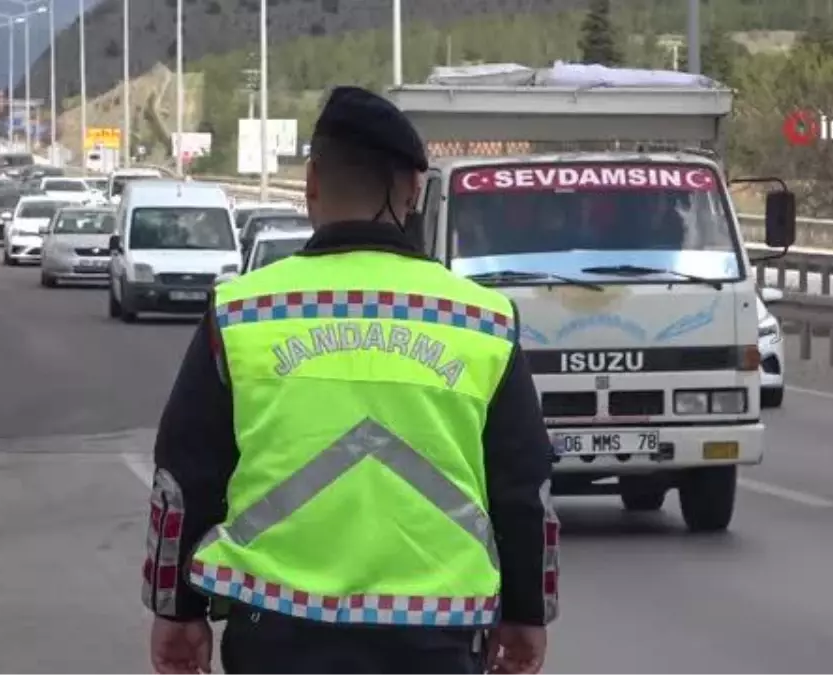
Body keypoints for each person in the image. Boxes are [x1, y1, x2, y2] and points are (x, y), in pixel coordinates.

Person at [142, 85, 559, 675]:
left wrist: (177, 609)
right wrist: (526, 613)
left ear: (311, 182)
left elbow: (185, 477)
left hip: (276, 632)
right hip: (437, 637)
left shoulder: (241, 313)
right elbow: (523, 489)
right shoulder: (481, 321)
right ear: (414, 192)